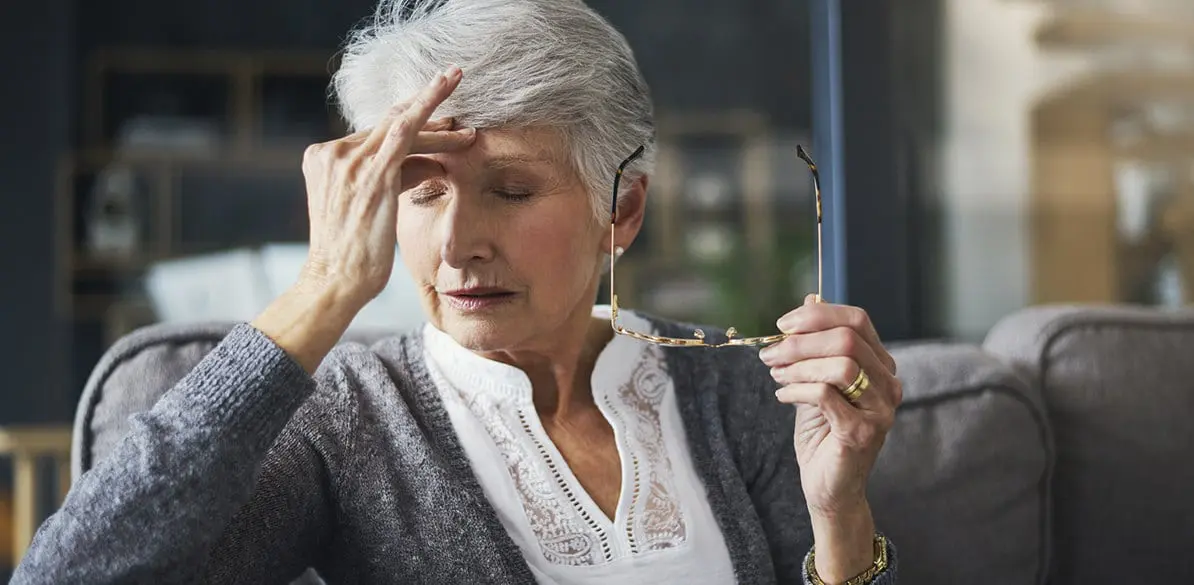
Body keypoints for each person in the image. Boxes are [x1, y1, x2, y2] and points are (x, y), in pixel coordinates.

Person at [14, 0, 902, 583]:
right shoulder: (348, 420)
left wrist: (840, 512)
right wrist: (321, 292)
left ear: (621, 209)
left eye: (510, 191)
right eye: (420, 188)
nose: (456, 240)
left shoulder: (735, 389)